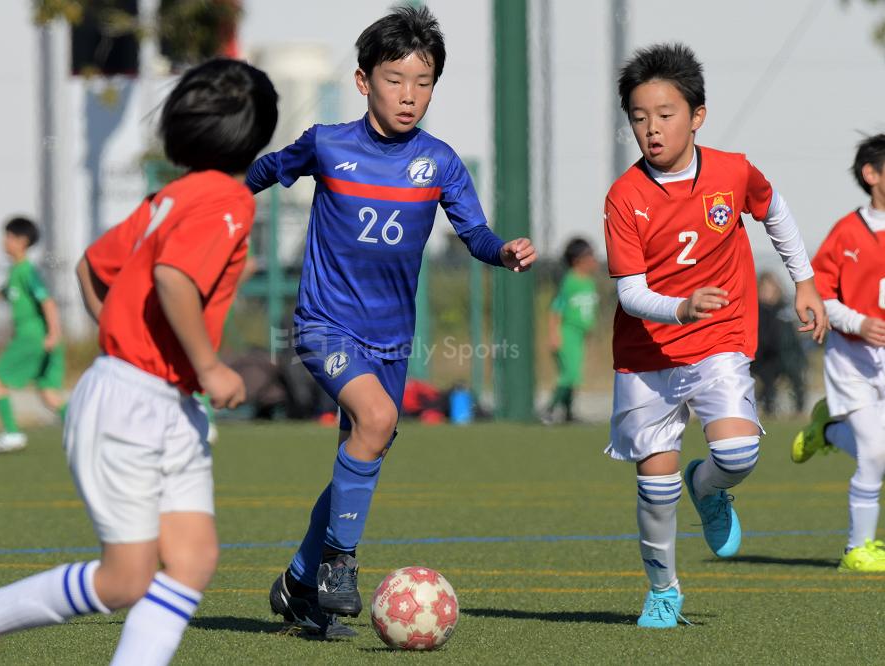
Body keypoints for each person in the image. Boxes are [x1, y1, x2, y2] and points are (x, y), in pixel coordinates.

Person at [0, 57, 277, 665]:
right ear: (260, 133)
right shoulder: (229, 199)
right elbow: (173, 279)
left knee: (193, 559)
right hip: (133, 403)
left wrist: (124, 337)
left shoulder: (170, 197)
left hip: (161, 401)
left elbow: (93, 265)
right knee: (125, 579)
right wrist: (207, 366)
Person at [247, 6, 535, 638]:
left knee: (365, 447)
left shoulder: (441, 162)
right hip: (324, 324)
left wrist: (503, 251)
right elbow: (265, 171)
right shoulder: (327, 144)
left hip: (391, 341)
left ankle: (299, 584)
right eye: (395, 79)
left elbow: (476, 233)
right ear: (363, 81)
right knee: (376, 421)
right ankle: (338, 565)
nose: (409, 95)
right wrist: (216, 202)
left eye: (423, 82)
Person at [602, 43, 826, 629]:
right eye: (639, 117)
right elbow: (631, 293)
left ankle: (707, 488)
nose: (652, 129)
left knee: (736, 453)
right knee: (655, 488)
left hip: (719, 338)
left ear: (697, 115)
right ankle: (663, 592)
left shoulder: (732, 171)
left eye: (665, 114)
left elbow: (775, 211)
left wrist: (804, 281)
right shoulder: (625, 196)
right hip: (645, 355)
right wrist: (680, 307)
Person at [792, 133, 885, 572]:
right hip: (852, 359)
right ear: (871, 175)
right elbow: (821, 297)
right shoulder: (847, 232)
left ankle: (827, 431)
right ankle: (856, 550)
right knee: (875, 453)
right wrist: (858, 323)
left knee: (879, 452)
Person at [0, 216, 66, 454]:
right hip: (39, 339)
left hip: (32, 338)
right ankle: (88, 430)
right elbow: (4, 292)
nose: (4, 241)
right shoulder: (16, 271)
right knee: (49, 395)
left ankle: (12, 434)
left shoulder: (27, 271)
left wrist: (53, 333)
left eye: (9, 236)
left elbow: (47, 301)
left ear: (22, 241)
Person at [543, 237, 599, 424]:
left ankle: (568, 413)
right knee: (569, 375)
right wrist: (554, 334)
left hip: (579, 335)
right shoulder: (570, 281)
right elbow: (556, 308)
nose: (593, 260)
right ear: (577, 260)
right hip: (567, 333)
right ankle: (549, 410)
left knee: (574, 375)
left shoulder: (589, 282)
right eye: (589, 256)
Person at [753, 271, 807, 416]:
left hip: (787, 354)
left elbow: (792, 335)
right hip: (765, 356)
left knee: (796, 376)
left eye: (770, 288)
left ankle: (799, 409)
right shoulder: (757, 310)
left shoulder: (784, 308)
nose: (767, 293)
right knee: (767, 379)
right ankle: (768, 409)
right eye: (764, 289)